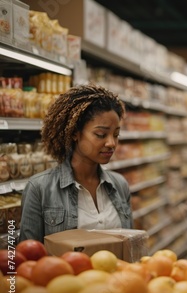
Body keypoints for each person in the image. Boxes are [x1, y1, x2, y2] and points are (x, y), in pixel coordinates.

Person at [19, 84, 133, 243]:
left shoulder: (120, 185)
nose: (111, 143)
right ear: (74, 133)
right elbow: (27, 257)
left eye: (116, 134)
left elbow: (131, 245)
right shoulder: (40, 188)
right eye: (101, 134)